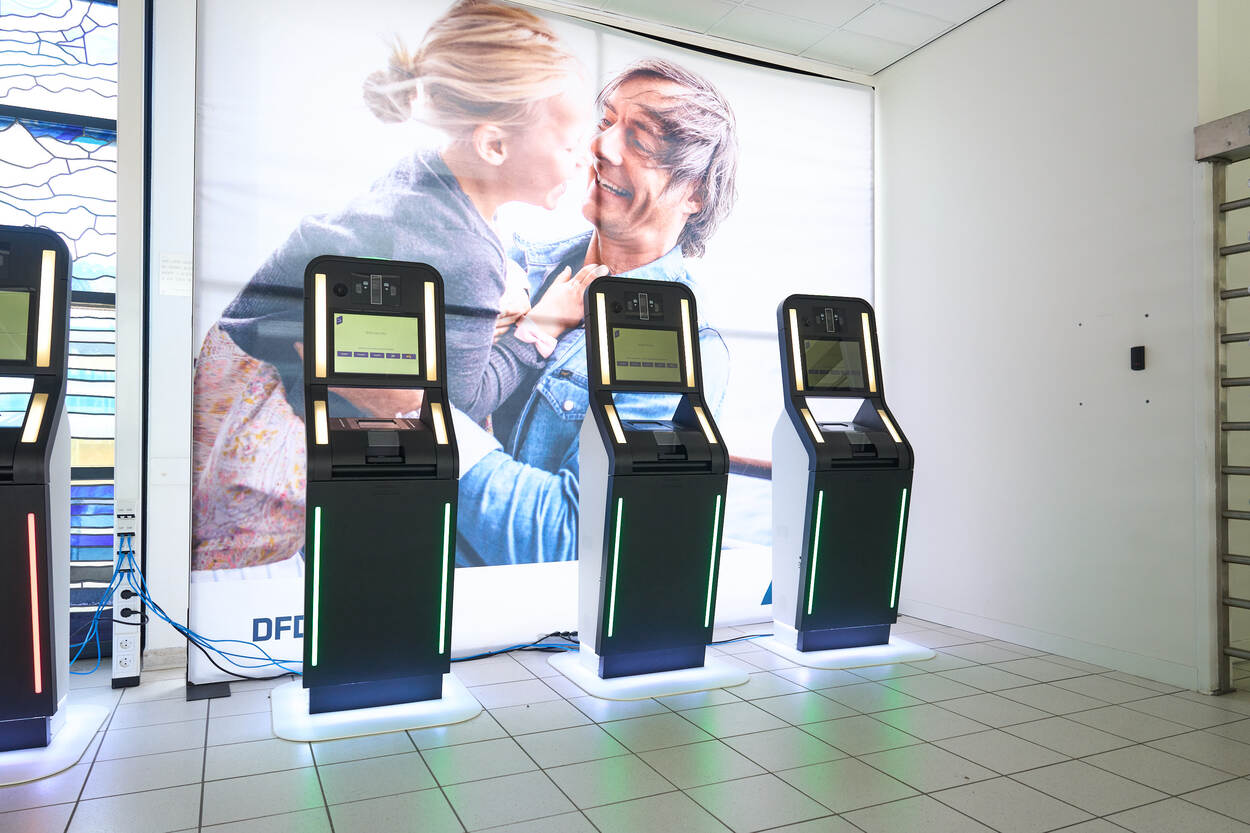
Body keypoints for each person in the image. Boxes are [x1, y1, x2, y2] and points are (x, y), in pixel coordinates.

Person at [191, 0, 601, 571]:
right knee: (247, 556)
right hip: (267, 418)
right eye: (570, 145)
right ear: (494, 146)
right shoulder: (463, 251)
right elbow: (453, 404)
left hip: (236, 357)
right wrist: (541, 327)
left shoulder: (425, 177)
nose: (587, 160)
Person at [454, 57, 739, 566]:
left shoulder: (683, 349)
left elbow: (571, 539)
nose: (600, 147)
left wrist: (420, 419)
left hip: (510, 631)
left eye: (641, 138)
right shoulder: (506, 262)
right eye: (607, 123)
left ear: (695, 191)